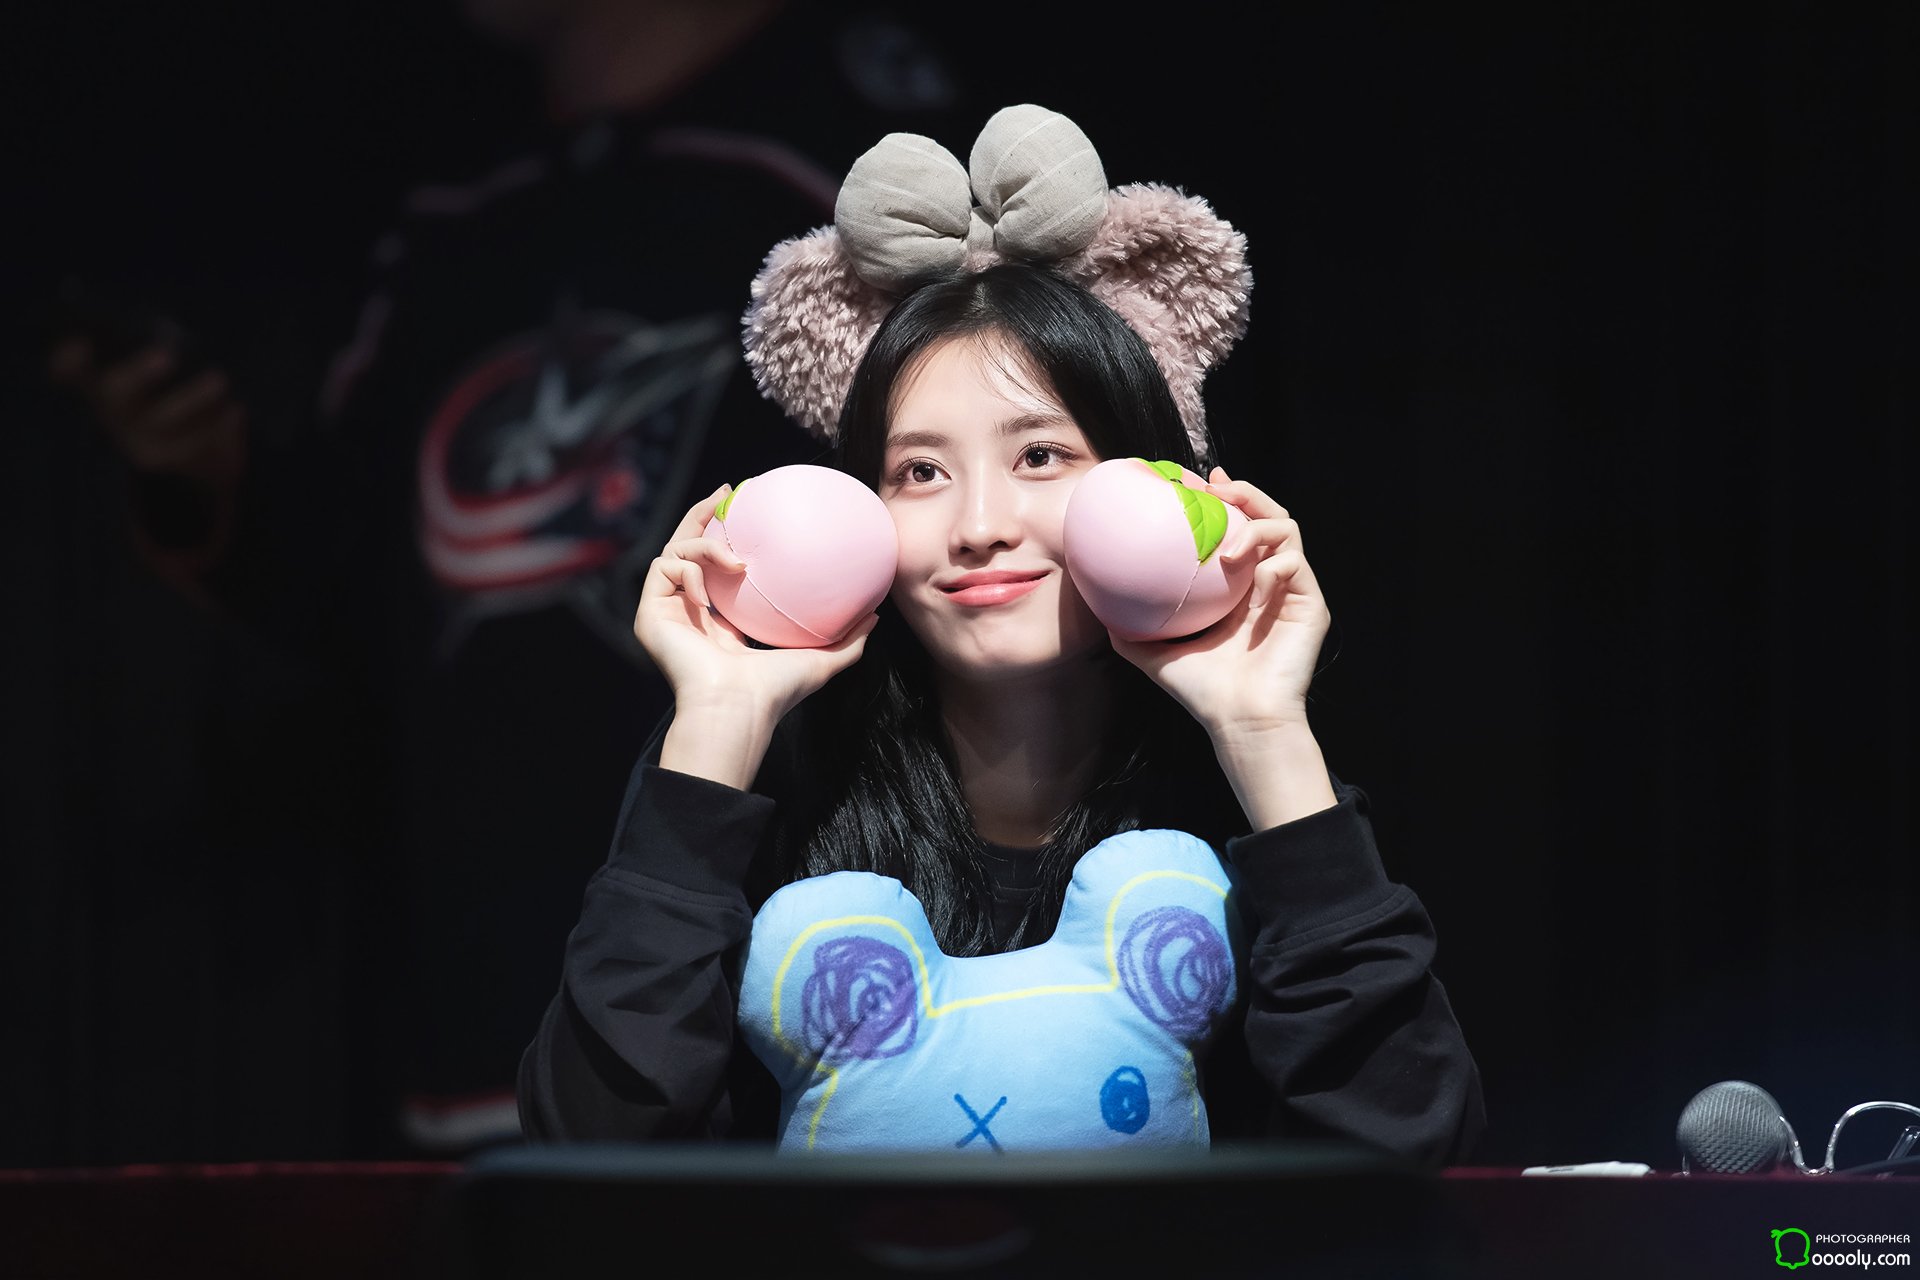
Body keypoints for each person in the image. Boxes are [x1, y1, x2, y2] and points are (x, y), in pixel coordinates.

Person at [43, 1, 981, 1157]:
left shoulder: (860, 167)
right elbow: (343, 582)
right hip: (493, 1021)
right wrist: (204, 471)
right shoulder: (456, 219)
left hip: (810, 1047)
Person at [518, 107, 1485, 1165]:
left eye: (1040, 456)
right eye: (919, 471)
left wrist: (1265, 735)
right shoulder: (756, 785)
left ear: (1153, 478)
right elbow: (590, 1155)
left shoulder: (1250, 795)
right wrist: (712, 726)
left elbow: (1407, 1151)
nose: (979, 525)